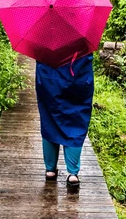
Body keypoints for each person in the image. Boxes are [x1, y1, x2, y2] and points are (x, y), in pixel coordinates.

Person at [35, 53, 95, 189]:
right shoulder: (82, 35)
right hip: (77, 80)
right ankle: (73, 174)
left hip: (49, 80)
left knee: (49, 120)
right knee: (76, 121)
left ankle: (50, 170)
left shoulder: (44, 34)